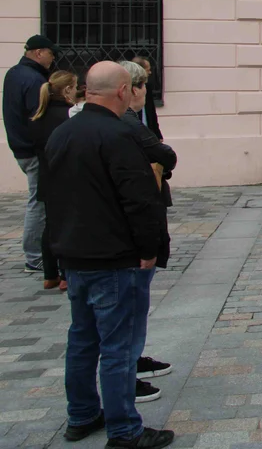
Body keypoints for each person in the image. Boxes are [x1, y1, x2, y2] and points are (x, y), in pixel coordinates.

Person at [44, 61, 174, 449]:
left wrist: (56, 258)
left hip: (75, 255)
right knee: (117, 347)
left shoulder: (61, 133)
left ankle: (81, 414)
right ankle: (124, 430)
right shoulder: (120, 135)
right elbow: (139, 200)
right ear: (122, 91)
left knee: (82, 339)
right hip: (114, 258)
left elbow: (50, 200)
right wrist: (149, 250)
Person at [119, 61, 176, 402]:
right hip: (125, 240)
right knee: (128, 309)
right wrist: (149, 247)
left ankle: (85, 407)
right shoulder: (124, 127)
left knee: (88, 330)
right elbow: (162, 154)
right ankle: (127, 382)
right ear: (132, 90)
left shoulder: (75, 125)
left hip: (85, 244)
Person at [3, 34, 58, 272]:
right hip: (33, 149)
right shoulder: (34, 79)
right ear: (38, 53)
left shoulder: (14, 73)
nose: (52, 59)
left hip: (20, 146)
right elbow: (39, 117)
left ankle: (36, 254)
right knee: (39, 201)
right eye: (50, 54)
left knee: (38, 199)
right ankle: (35, 257)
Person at [29, 70, 78, 291]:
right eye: (75, 86)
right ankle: (66, 274)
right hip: (66, 177)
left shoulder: (38, 115)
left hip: (47, 178)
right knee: (69, 225)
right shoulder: (69, 115)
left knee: (50, 226)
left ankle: (50, 274)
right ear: (67, 89)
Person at [132, 57, 162, 140]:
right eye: (147, 69)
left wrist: (157, 134)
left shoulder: (148, 87)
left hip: (148, 131)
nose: (150, 72)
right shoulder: (128, 89)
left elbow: (151, 111)